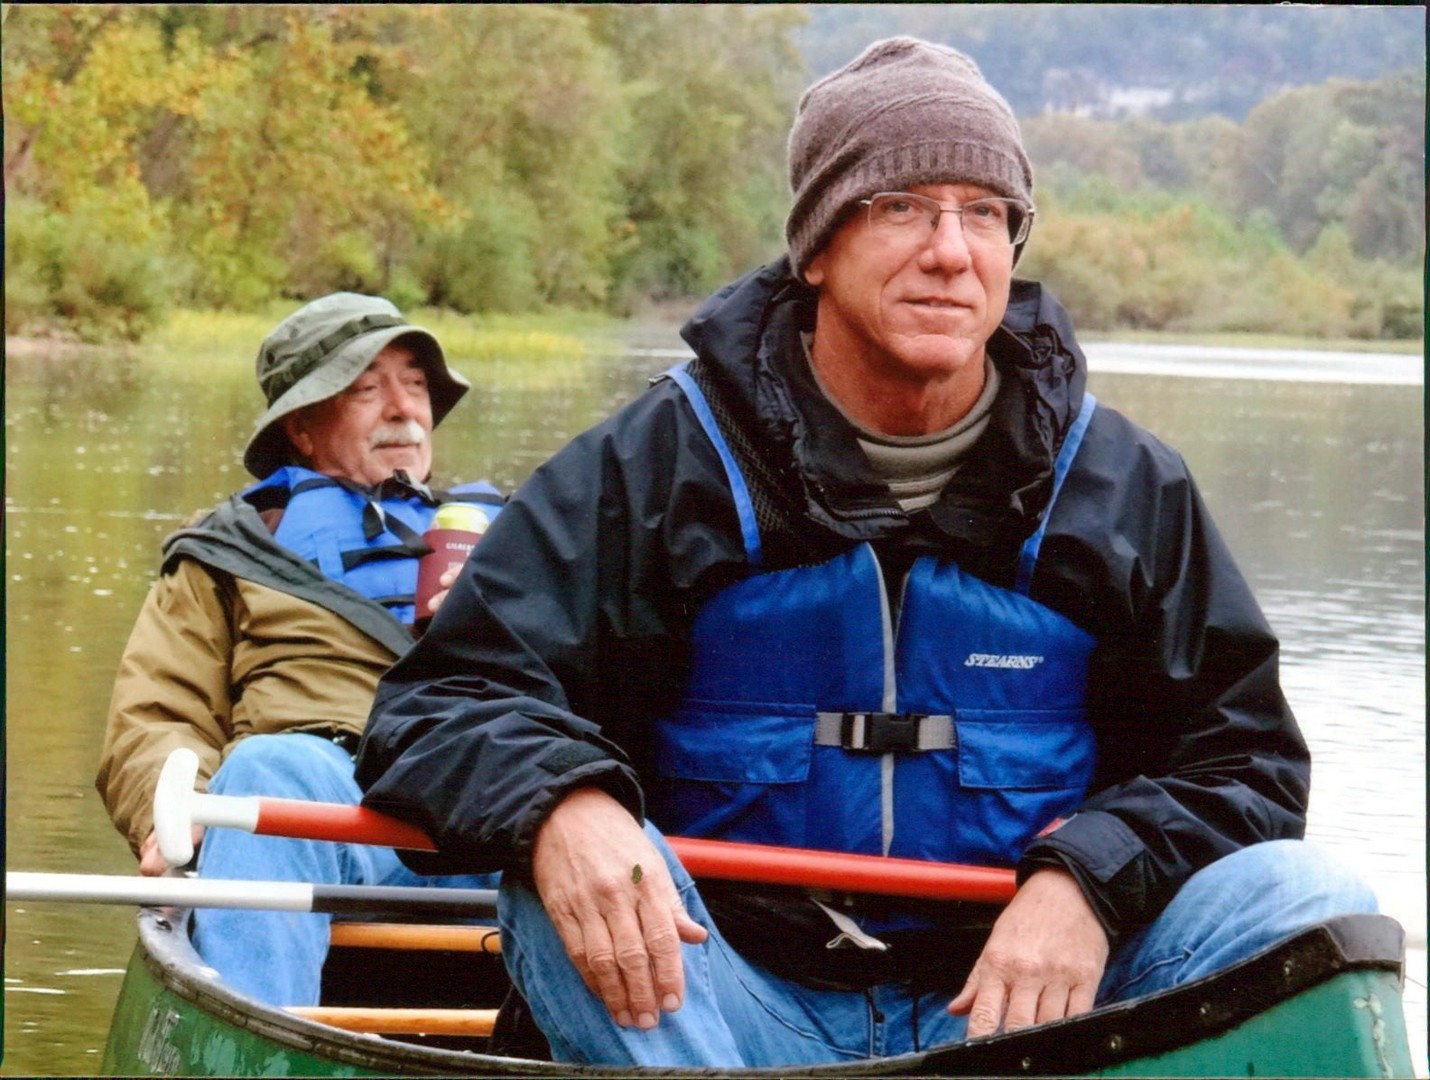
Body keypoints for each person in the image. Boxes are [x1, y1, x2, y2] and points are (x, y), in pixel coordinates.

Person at [354, 38, 1375, 1067]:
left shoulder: (1121, 486)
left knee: (1307, 899)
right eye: (902, 207)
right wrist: (566, 806)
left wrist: (1092, 879)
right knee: (565, 878)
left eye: (985, 213)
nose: (950, 250)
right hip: (730, 1005)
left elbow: (1244, 763)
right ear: (816, 249)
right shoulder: (661, 464)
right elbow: (443, 700)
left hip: (1021, 1017)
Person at [96, 292, 503, 1007]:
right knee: (266, 770)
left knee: (624, 828)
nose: (403, 409)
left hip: (492, 801)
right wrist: (177, 812)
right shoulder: (231, 549)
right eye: (367, 389)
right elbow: (157, 714)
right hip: (322, 806)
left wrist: (502, 619)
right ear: (303, 429)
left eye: (415, 385)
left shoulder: (514, 538)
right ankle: (258, 1033)